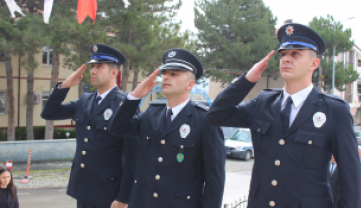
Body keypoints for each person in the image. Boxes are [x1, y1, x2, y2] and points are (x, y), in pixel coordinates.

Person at [205, 23, 361, 208]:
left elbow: (350, 178)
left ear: (314, 63)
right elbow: (215, 115)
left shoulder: (334, 110)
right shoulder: (263, 103)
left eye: (295, 54)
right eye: (283, 54)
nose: (286, 59)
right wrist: (247, 80)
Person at [108, 49, 226, 208]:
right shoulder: (152, 112)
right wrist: (134, 96)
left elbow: (214, 180)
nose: (166, 77)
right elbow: (117, 128)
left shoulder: (205, 121)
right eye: (165, 74)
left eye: (174, 74)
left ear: (190, 84)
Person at [41, 44, 138, 208]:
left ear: (114, 72)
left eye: (99, 66)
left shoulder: (124, 105)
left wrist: (124, 198)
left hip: (109, 192)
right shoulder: (84, 101)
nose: (93, 71)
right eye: (92, 66)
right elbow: (49, 113)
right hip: (84, 190)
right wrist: (65, 86)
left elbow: (132, 157)